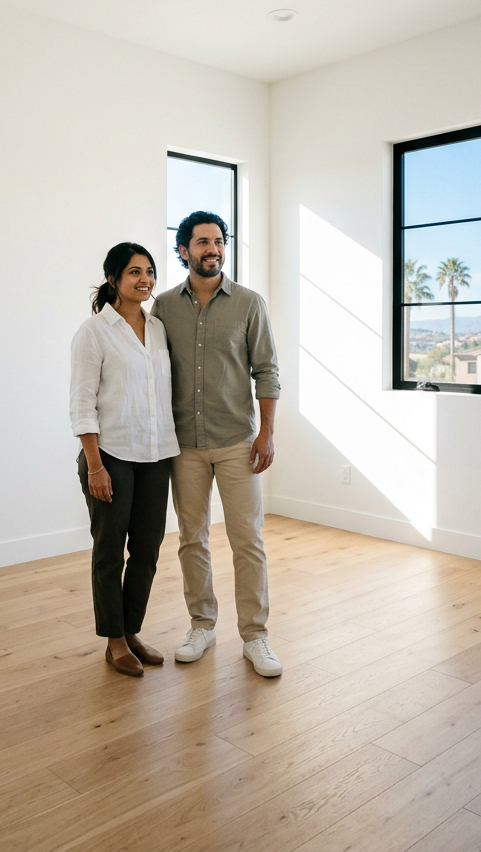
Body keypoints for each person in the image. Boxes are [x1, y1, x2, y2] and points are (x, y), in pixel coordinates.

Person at [152, 211, 283, 677]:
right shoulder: (163, 308)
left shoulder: (249, 303)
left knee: (247, 540)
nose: (213, 249)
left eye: (219, 241)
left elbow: (266, 370)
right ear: (183, 250)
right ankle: (202, 625)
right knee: (193, 539)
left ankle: (255, 636)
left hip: (236, 442)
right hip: (184, 443)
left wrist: (266, 432)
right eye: (202, 241)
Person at [69, 242, 180, 678]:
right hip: (111, 456)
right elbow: (82, 405)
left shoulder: (158, 329)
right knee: (110, 551)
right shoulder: (93, 332)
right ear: (113, 279)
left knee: (148, 551)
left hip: (156, 454)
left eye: (150, 271)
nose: (145, 279)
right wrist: (95, 466)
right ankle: (114, 641)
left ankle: (131, 630)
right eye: (134, 272)